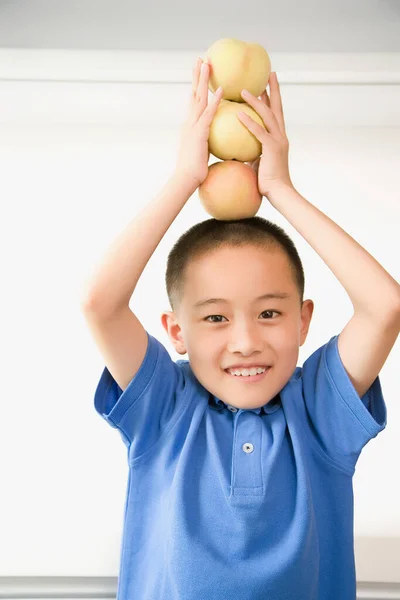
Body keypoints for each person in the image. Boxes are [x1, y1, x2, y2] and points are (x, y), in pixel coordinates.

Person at [81, 57, 400, 600]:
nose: (246, 340)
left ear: (303, 321)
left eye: (270, 313)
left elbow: (385, 306)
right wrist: (185, 178)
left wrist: (280, 188)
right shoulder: (166, 406)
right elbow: (101, 303)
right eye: (214, 317)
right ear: (176, 331)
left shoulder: (318, 409)